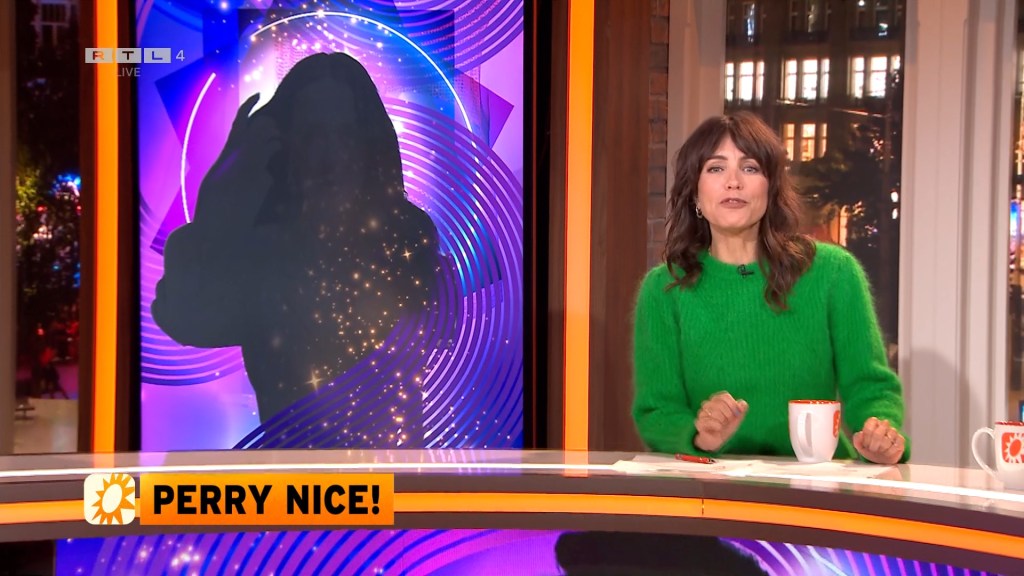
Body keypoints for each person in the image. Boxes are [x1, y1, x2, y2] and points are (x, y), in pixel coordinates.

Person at [152, 53, 444, 443]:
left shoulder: (407, 237)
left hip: (391, 472)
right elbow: (186, 318)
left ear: (367, 144)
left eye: (345, 135)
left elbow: (437, 332)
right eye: (312, 135)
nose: (329, 157)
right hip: (290, 471)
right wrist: (220, 204)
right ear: (287, 145)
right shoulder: (260, 251)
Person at [631, 111, 908, 465]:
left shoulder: (834, 273)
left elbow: (870, 387)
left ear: (771, 187)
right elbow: (656, 410)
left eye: (750, 168)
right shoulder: (664, 289)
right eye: (716, 168)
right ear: (695, 193)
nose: (733, 182)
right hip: (711, 483)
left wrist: (880, 433)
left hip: (815, 482)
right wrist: (699, 434)